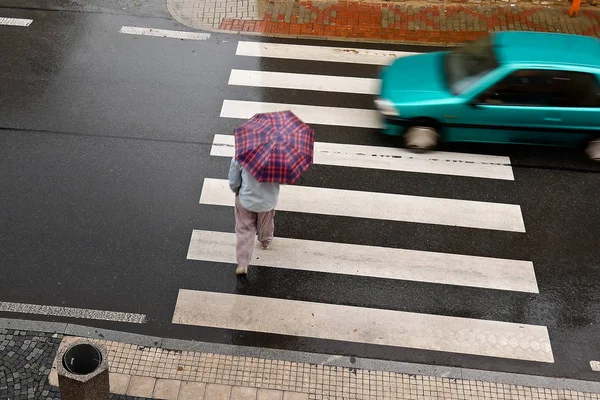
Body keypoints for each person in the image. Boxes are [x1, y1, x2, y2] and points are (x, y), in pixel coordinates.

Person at [228, 157, 280, 275]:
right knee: (266, 222)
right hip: (267, 201)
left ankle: (243, 263)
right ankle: (265, 241)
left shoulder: (242, 154)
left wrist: (236, 189)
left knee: (244, 229)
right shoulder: (278, 158)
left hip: (246, 199)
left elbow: (234, 179)